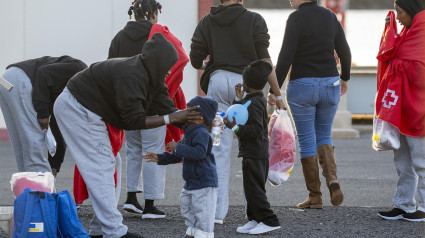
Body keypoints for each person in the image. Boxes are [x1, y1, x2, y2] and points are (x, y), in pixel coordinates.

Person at [54, 34, 203, 238]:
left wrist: (197, 122)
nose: (169, 70)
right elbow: (133, 122)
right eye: (168, 65)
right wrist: (170, 118)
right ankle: (114, 231)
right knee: (101, 165)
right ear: (157, 63)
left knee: (111, 163)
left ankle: (100, 229)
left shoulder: (152, 77)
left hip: (89, 109)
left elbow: (167, 108)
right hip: (77, 107)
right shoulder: (131, 75)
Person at [189, 0, 285, 224]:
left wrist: (214, 67)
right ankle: (253, 213)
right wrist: (277, 93)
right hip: (247, 84)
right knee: (251, 149)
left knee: (217, 149)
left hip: (217, 84)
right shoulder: (254, 20)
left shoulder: (207, 21)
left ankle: (215, 214)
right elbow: (265, 60)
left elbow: (195, 60)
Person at [109, 0, 189, 219]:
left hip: (128, 107)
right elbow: (172, 65)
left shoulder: (118, 38)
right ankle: (150, 205)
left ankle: (131, 198)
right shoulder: (158, 38)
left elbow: (111, 68)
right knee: (153, 151)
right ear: (154, 14)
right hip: (154, 105)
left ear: (133, 14)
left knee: (133, 150)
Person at [275, 0, 351, 209]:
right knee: (324, 135)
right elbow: (344, 51)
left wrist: (275, 89)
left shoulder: (295, 18)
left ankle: (315, 196)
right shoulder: (329, 16)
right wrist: (345, 77)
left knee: (307, 140)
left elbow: (285, 57)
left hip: (302, 86)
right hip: (330, 84)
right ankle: (333, 181)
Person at [377, 0, 425, 222]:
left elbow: (417, 73)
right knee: (402, 159)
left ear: (413, 12)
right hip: (401, 107)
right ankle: (403, 204)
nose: (397, 17)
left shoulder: (421, 35)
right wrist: (390, 31)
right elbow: (389, 55)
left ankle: (423, 207)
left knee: (421, 160)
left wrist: (400, 63)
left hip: (419, 109)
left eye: (400, 12)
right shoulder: (407, 32)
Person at [144, 96, 219, 238]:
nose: (185, 112)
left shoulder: (202, 133)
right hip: (192, 182)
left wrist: (178, 147)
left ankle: (202, 234)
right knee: (186, 204)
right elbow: (178, 155)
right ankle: (192, 232)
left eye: (189, 110)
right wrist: (160, 158)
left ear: (200, 117)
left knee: (203, 214)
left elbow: (199, 153)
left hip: (204, 183)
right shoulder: (190, 131)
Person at [0, 56, 86, 176]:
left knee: (23, 149)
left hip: (6, 80)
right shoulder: (78, 70)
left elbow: (57, 124)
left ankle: (30, 191)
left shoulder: (75, 94)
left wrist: (55, 163)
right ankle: (44, 193)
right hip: (20, 80)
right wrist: (42, 112)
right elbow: (43, 73)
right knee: (34, 149)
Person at [223, 60, 280, 235]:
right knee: (250, 189)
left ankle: (269, 220)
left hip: (255, 153)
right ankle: (255, 218)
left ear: (247, 83)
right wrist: (239, 97)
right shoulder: (252, 99)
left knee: (255, 190)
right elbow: (239, 111)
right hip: (252, 152)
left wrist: (236, 128)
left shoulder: (256, 103)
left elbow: (256, 129)